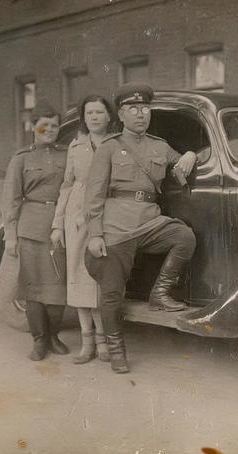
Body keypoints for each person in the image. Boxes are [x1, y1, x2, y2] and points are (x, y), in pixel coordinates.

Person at [84, 83, 197, 374]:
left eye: (145, 108)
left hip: (150, 221)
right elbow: (93, 194)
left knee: (184, 236)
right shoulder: (109, 147)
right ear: (121, 115)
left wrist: (191, 155)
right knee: (111, 294)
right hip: (116, 227)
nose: (140, 114)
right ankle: (116, 347)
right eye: (133, 109)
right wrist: (95, 234)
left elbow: (179, 163)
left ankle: (159, 294)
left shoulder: (160, 146)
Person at [2, 102, 69, 361]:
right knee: (33, 288)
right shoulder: (21, 158)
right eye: (45, 125)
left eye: (55, 125)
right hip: (30, 228)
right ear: (33, 126)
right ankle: (39, 340)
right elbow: (11, 199)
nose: (50, 129)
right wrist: (10, 236)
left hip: (60, 227)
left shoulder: (67, 154)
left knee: (58, 287)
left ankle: (54, 336)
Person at [51, 95, 115, 364]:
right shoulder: (75, 146)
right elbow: (66, 186)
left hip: (106, 214)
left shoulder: (117, 144)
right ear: (83, 117)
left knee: (100, 276)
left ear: (109, 116)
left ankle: (104, 341)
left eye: (100, 112)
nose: (94, 117)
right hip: (76, 215)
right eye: (89, 113)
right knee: (78, 275)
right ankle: (87, 341)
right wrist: (57, 224)